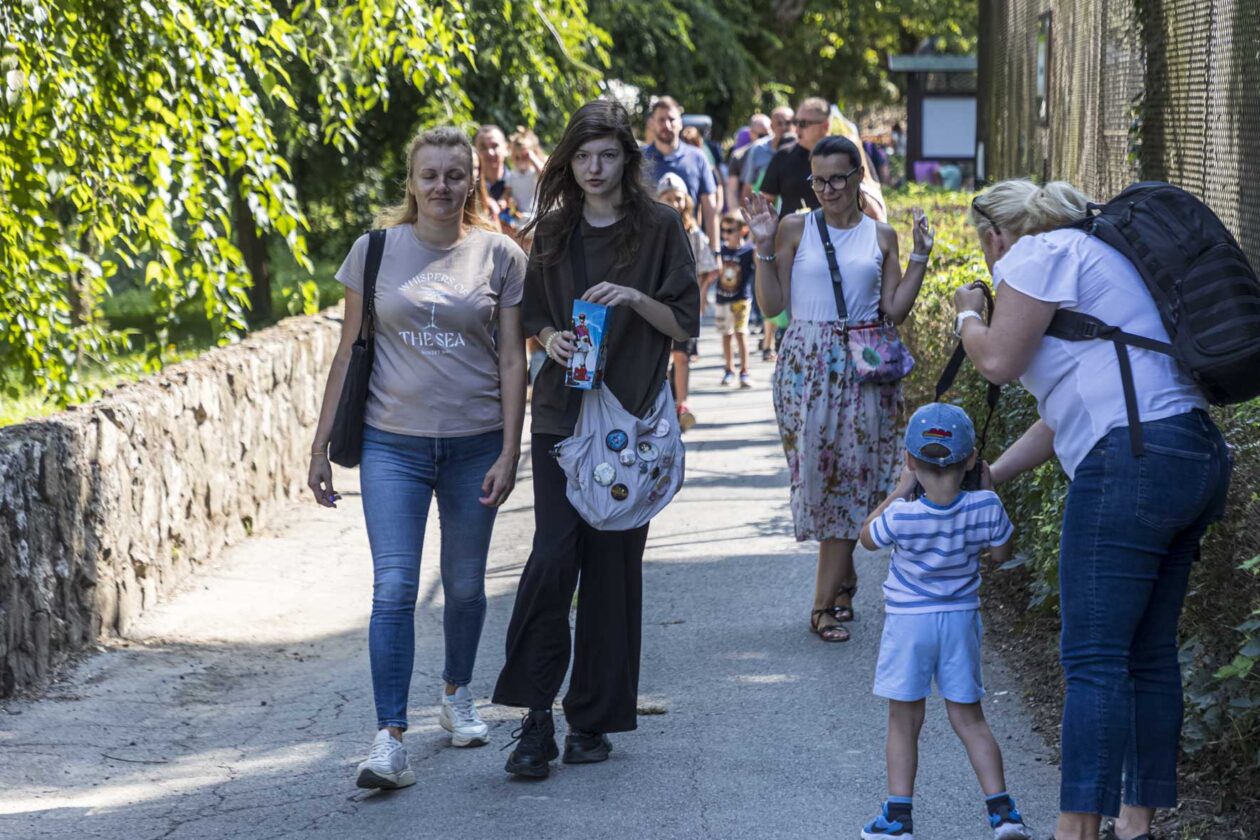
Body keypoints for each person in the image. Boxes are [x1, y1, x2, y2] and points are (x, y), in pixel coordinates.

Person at [957, 179, 1232, 840]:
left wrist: (968, 312)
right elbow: (1067, 414)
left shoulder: (1036, 253)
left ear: (996, 235)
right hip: (1189, 453)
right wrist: (991, 472)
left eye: (982, 249)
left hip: (1132, 463)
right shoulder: (1093, 256)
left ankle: (1074, 830)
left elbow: (994, 360)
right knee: (1146, 654)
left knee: (1093, 658)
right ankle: (1135, 825)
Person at [307, 126, 527, 790]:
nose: (441, 186)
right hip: (390, 443)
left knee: (463, 585)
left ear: (472, 182)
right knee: (395, 586)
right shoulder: (373, 252)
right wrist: (319, 448)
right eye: (429, 174)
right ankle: (389, 739)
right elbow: (347, 352)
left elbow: (514, 357)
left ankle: (457, 692)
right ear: (411, 181)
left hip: (475, 444)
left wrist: (511, 451)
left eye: (454, 175)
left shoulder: (500, 255)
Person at [492, 99, 701, 779]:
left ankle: (593, 720)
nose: (594, 168)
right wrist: (548, 334)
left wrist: (634, 299)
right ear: (568, 161)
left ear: (627, 159)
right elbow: (531, 317)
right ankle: (532, 718)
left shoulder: (661, 227)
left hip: (631, 423)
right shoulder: (551, 234)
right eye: (582, 156)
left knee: (612, 571)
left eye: (606, 155)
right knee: (553, 560)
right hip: (561, 417)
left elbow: (686, 323)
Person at [743, 135, 934, 644]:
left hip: (863, 368)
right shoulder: (792, 228)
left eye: (837, 179)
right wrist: (762, 250)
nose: (826, 189)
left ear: (857, 179)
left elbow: (893, 310)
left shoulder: (881, 235)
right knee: (821, 480)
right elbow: (770, 305)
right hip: (804, 368)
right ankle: (843, 579)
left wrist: (919, 257)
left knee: (855, 479)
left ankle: (822, 605)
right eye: (818, 179)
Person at [858, 403, 1033, 840]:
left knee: (904, 720)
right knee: (970, 720)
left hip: (909, 625)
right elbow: (1000, 555)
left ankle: (898, 818)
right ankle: (1003, 813)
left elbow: (866, 538)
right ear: (972, 460)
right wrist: (989, 489)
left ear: (910, 461)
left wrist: (900, 490)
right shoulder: (985, 505)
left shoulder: (901, 515)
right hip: (960, 622)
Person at [657, 172, 718, 430]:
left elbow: (710, 268)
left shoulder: (693, 233)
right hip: (659, 302)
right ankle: (662, 402)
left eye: (678, 198)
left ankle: (682, 403)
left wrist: (701, 294)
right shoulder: (653, 231)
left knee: (681, 355)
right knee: (661, 354)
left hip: (684, 303)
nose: (674, 203)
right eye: (668, 198)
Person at [642, 96, 719, 253]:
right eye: (661, 120)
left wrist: (715, 251)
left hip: (689, 246)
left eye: (672, 119)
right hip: (650, 248)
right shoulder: (639, 159)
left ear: (681, 123)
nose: (667, 125)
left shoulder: (697, 157)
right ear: (652, 123)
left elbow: (710, 210)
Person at [759, 97, 830, 218]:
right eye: (796, 122)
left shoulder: (841, 156)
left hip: (835, 235)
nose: (796, 130)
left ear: (825, 126)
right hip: (792, 235)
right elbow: (764, 202)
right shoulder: (783, 156)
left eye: (803, 124)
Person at [715, 210, 755, 388]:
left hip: (741, 299)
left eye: (730, 231)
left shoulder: (748, 251)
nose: (726, 235)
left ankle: (744, 371)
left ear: (742, 231)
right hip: (723, 298)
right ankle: (728, 369)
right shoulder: (720, 251)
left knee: (741, 334)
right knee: (726, 334)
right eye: (723, 231)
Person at [741, 106, 795, 204]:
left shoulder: (801, 149)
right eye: (779, 123)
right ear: (772, 126)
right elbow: (748, 185)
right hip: (765, 209)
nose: (784, 127)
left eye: (787, 123)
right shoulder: (758, 149)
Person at [728, 114, 770, 212]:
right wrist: (737, 215)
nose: (766, 139)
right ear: (751, 133)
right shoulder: (739, 157)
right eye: (762, 136)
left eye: (769, 135)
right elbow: (732, 191)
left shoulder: (777, 153)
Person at [474, 124, 511, 226]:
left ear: (506, 148)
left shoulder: (520, 183)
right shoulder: (470, 189)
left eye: (495, 146)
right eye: (483, 147)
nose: (490, 152)